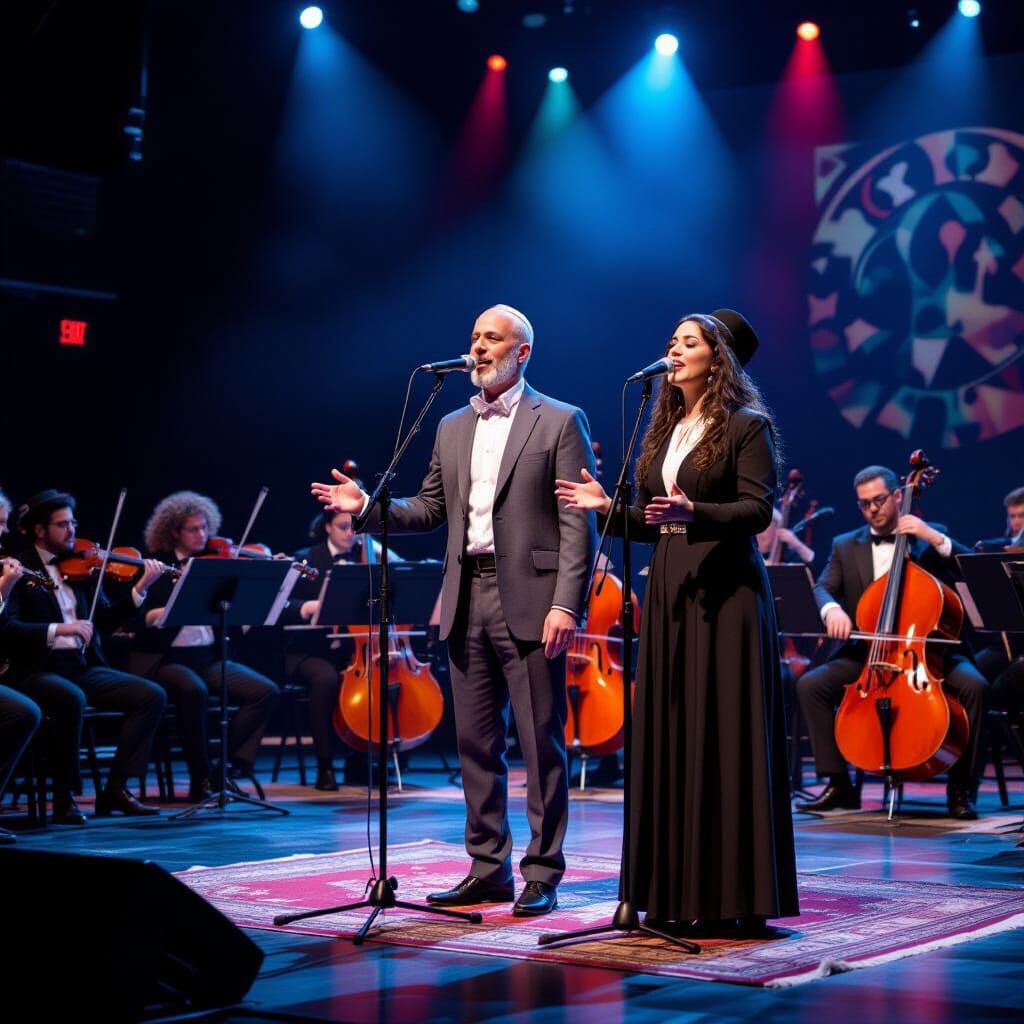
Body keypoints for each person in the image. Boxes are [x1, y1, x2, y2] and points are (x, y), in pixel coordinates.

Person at [313, 303, 596, 917]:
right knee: (474, 742)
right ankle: (488, 866)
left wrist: (566, 604)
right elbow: (429, 510)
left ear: (522, 352)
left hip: (533, 597)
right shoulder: (449, 426)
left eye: (492, 338)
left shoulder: (560, 420)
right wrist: (366, 506)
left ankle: (542, 872)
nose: (479, 346)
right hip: (466, 598)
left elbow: (579, 521)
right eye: (474, 337)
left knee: (539, 740)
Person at [556, 309, 798, 937]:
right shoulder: (663, 430)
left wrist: (698, 512)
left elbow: (757, 511)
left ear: (717, 359)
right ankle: (671, 888)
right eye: (671, 342)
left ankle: (734, 894)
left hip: (727, 593)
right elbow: (657, 521)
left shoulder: (747, 424)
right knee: (674, 733)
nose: (675, 350)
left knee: (723, 734)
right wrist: (610, 508)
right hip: (670, 589)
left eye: (689, 343)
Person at [795, 466, 988, 819]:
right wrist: (832, 609)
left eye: (879, 500)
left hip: (931, 656)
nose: (872, 509)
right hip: (869, 656)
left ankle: (962, 789)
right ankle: (839, 784)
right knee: (811, 685)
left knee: (976, 686)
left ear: (898, 496)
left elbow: (970, 568)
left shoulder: (931, 537)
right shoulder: (844, 546)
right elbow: (822, 587)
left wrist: (932, 536)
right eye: (864, 503)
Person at [3, 490, 167, 816]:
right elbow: (9, 629)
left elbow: (102, 622)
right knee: (71, 697)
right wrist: (57, 629)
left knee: (151, 695)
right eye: (62, 525)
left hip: (80, 664)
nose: (72, 532)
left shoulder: (80, 569)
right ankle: (65, 797)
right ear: (40, 530)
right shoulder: (18, 569)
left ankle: (116, 789)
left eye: (73, 523)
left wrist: (141, 588)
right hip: (37, 668)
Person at [130, 491, 280, 799]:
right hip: (168, 660)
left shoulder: (215, 568)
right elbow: (141, 618)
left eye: (204, 528)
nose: (202, 535)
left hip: (208, 658)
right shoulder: (158, 569)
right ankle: (201, 778)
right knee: (193, 690)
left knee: (264, 691)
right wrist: (174, 604)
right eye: (193, 529)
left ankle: (221, 767)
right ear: (174, 532)